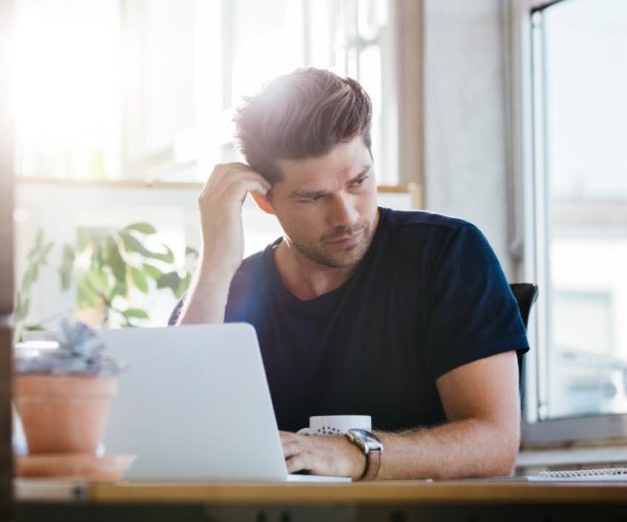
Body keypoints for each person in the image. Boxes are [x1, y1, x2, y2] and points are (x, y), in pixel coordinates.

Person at [171, 68, 528, 480]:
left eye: (359, 181)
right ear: (265, 202)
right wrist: (216, 260)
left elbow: (495, 442)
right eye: (314, 197)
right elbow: (180, 436)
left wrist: (355, 454)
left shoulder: (447, 253)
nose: (348, 216)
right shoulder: (228, 292)